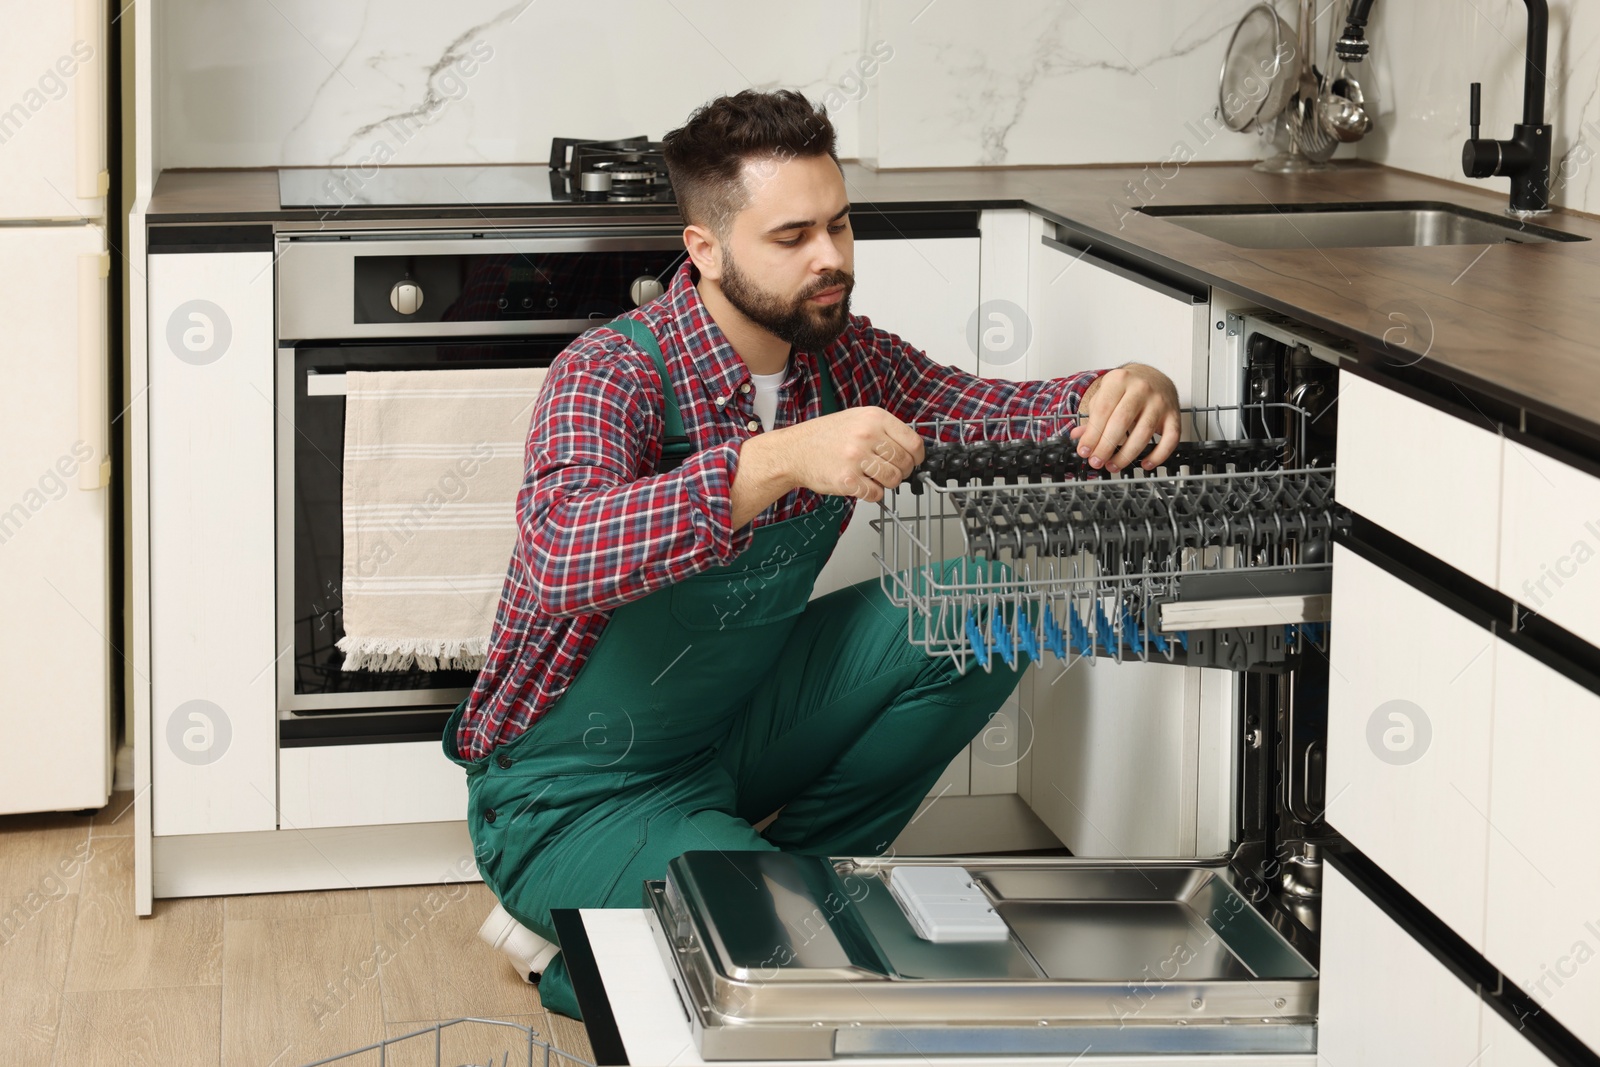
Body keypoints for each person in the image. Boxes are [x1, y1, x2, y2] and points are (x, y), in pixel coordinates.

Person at [442, 88, 1181, 1019]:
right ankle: (618, 940)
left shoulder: (848, 360)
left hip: (733, 729)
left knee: (987, 600)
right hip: (571, 792)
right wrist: (779, 458)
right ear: (704, 250)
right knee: (807, 973)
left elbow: (1003, 415)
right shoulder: (611, 370)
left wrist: (1125, 387)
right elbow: (561, 551)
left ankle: (789, 891)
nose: (831, 258)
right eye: (792, 237)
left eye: (838, 225)